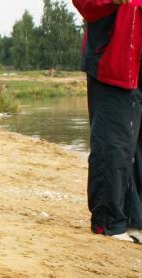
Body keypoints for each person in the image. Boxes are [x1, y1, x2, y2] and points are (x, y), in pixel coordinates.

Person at [73, 0, 142, 243]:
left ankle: (136, 222)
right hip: (114, 61)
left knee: (135, 148)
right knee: (113, 144)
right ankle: (108, 222)